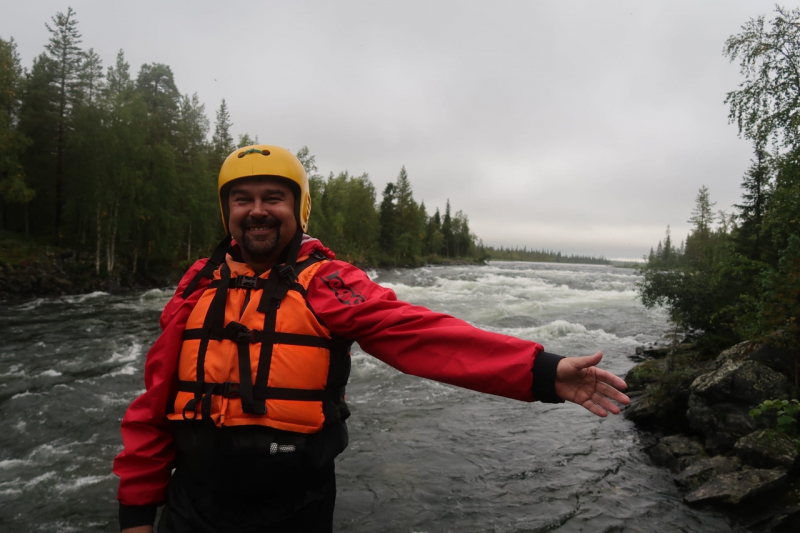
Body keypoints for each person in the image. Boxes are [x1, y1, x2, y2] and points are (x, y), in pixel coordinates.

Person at [113, 145, 629, 533]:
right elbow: (154, 401)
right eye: (242, 199)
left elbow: (420, 337)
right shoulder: (196, 285)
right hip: (192, 506)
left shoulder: (329, 282)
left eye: (274, 197)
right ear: (227, 212)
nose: (258, 210)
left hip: (293, 506)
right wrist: (136, 511)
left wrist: (539, 371)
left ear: (299, 208)